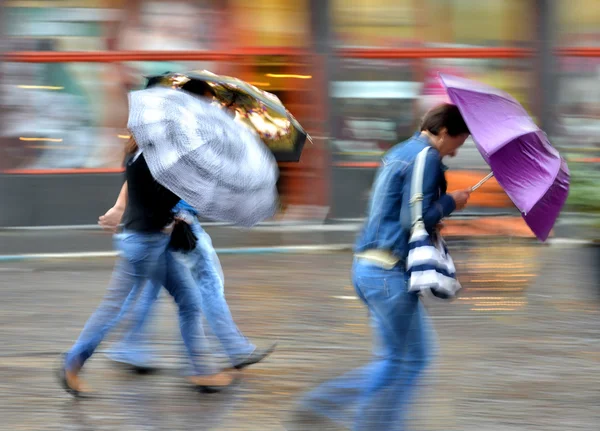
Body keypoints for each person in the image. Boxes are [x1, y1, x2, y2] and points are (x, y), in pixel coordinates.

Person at [292, 104, 472, 430]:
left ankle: (327, 405)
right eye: (458, 143)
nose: (456, 153)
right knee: (409, 360)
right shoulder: (426, 157)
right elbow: (412, 219)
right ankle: (346, 412)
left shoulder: (400, 151)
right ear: (444, 131)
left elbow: (396, 213)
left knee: (396, 361)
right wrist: (450, 203)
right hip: (389, 273)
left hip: (369, 268)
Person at [59, 137, 235, 395]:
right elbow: (165, 196)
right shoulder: (157, 157)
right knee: (113, 308)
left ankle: (202, 371)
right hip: (145, 245)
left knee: (189, 300)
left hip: (151, 241)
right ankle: (72, 361)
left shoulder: (140, 151)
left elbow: (154, 194)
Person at [99, 194, 276, 372]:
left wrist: (121, 208)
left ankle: (130, 345)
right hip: (179, 220)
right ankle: (232, 349)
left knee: (152, 287)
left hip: (158, 222)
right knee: (208, 283)